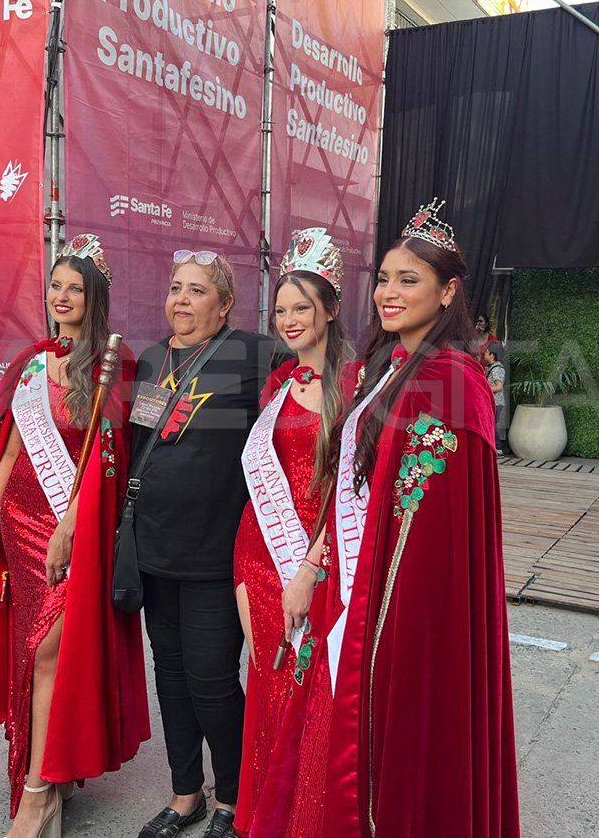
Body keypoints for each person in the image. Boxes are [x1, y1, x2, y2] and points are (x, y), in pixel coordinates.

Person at [323, 199, 519, 837]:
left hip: (408, 604)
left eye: (408, 280)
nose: (387, 292)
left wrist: (392, 614)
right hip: (366, 583)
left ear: (448, 291)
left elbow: (430, 531)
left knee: (402, 731)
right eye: (383, 278)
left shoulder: (454, 380)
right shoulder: (385, 369)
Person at [0, 236, 149, 838]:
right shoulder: (34, 361)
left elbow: (110, 460)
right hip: (19, 519)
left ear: (95, 298)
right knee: (31, 652)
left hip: (75, 527)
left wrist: (71, 525)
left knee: (52, 649)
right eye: (56, 286)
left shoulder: (116, 366)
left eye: (75, 288)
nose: (62, 297)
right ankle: (44, 781)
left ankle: (40, 793)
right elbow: (12, 445)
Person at [132, 250, 268, 838]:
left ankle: (233, 798)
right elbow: (138, 445)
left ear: (225, 304)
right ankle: (185, 793)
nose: (181, 301)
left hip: (217, 552)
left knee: (213, 678)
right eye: (174, 288)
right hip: (154, 550)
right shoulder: (149, 360)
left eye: (195, 291)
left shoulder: (257, 355)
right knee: (171, 675)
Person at [232, 230, 355, 838]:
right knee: (267, 694)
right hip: (259, 557)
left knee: (313, 701)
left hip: (319, 564)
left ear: (331, 309)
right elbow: (262, 485)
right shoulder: (277, 384)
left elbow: (349, 492)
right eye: (280, 310)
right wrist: (241, 578)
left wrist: (309, 566)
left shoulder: (356, 385)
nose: (288, 320)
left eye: (302, 307)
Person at [483, 340, 507, 455]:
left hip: (496, 402)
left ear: (492, 356)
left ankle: (497, 447)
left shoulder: (497, 369)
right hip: (493, 402)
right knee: (491, 424)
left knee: (492, 424)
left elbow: (499, 386)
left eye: (486, 353)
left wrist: (484, 389)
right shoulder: (491, 367)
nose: (484, 355)